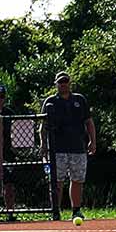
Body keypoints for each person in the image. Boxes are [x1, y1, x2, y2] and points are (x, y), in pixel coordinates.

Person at [43, 70, 98, 219]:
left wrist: (93, 141)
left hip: (78, 147)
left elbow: (89, 122)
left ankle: (76, 210)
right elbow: (43, 127)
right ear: (56, 84)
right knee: (57, 181)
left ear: (70, 83)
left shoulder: (80, 100)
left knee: (77, 179)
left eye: (65, 81)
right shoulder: (50, 102)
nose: (63, 84)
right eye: (60, 82)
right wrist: (44, 146)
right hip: (57, 149)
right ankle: (56, 211)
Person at [0, 85, 18, 210]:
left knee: (9, 184)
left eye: (2, 96)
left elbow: (16, 134)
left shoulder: (10, 114)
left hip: (7, 153)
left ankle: (10, 212)